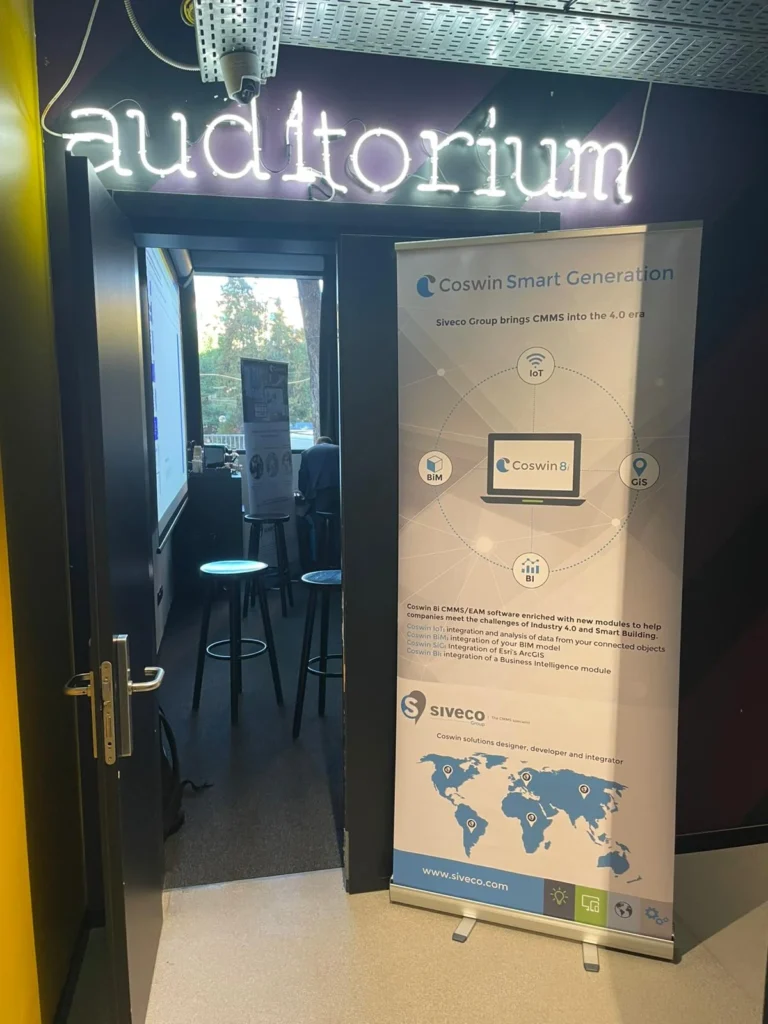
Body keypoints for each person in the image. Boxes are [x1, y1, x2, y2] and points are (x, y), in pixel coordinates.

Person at [298, 436, 340, 567]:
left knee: (319, 529)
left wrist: (305, 496)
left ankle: (319, 564)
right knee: (339, 527)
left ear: (317, 443)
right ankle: (338, 562)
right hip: (341, 493)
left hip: (320, 494)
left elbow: (303, 478)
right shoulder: (340, 449)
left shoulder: (307, 452)